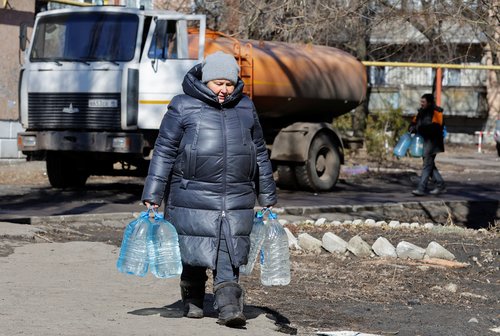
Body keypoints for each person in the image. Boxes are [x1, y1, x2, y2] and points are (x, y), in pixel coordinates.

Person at [141, 51, 277, 327]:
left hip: (236, 195)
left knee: (230, 250)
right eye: (218, 83)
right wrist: (153, 194)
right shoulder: (182, 106)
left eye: (228, 84)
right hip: (191, 192)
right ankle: (192, 298)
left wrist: (267, 194)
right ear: (205, 81)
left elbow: (259, 152)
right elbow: (164, 152)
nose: (224, 90)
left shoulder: (245, 108)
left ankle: (229, 307)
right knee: (194, 249)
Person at [409, 93, 446, 196]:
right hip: (423, 142)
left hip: (433, 143)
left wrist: (418, 128)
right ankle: (440, 185)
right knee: (430, 165)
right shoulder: (420, 112)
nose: (421, 104)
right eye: (421, 102)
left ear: (429, 102)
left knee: (427, 165)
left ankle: (421, 188)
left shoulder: (437, 112)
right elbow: (413, 123)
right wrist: (412, 128)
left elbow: (436, 128)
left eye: (423, 102)